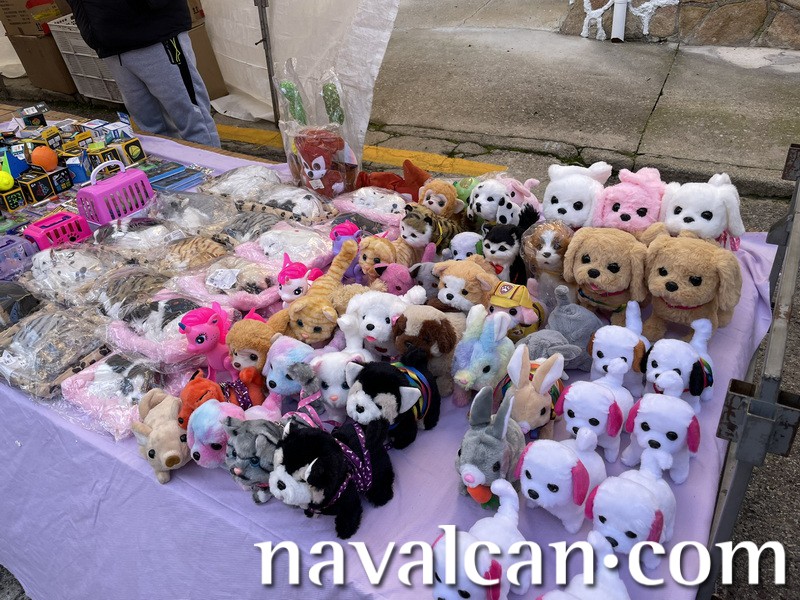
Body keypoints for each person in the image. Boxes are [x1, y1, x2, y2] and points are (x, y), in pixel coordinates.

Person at [67, 0, 221, 147]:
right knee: (151, 129)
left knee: (192, 119)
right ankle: (171, 165)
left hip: (156, 31)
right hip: (109, 41)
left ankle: (213, 165)